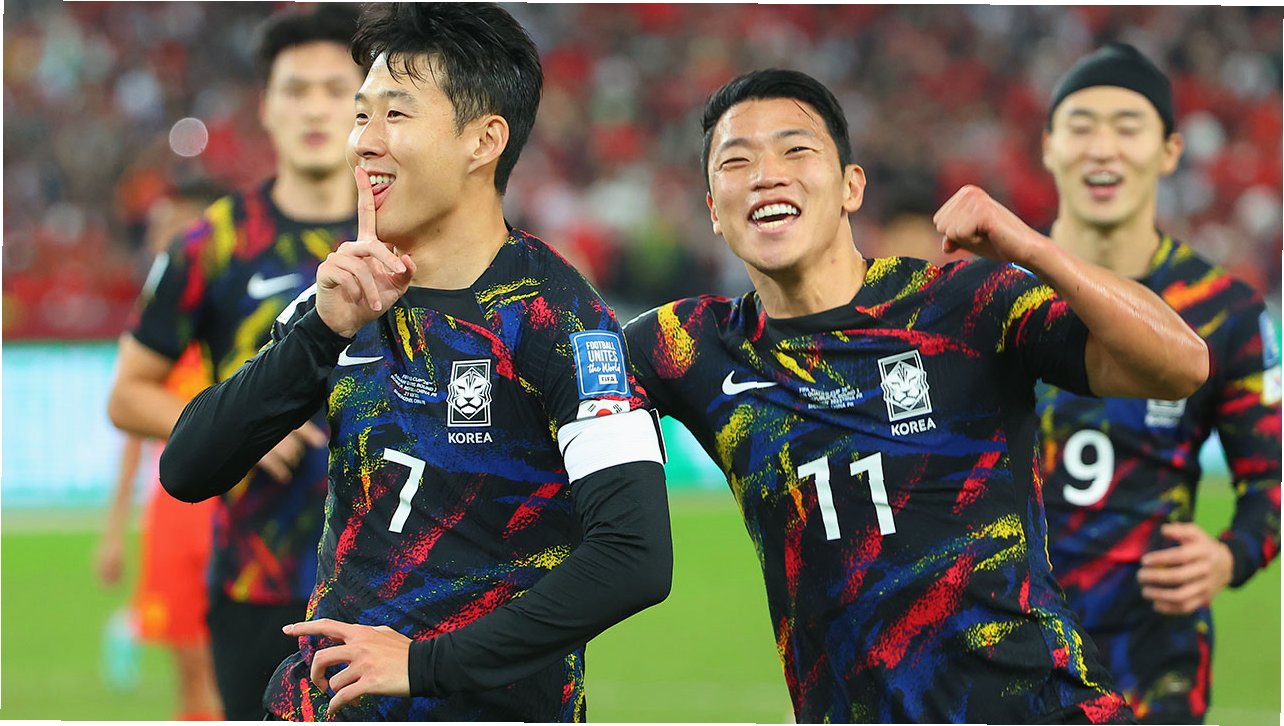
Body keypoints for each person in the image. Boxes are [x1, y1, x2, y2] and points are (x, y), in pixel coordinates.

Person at [624, 68, 1210, 724]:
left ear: (851, 187)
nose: (766, 175)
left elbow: (1182, 364)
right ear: (713, 209)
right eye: (737, 162)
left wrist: (1028, 246)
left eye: (795, 150)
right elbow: (552, 390)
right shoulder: (689, 349)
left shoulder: (964, 304)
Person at [159, 3, 671, 721]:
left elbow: (635, 556)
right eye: (360, 115)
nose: (363, 143)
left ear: (483, 140)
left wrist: (425, 665)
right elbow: (187, 468)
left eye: (394, 115)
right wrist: (320, 332)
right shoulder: (343, 298)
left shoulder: (563, 321)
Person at [105, 5, 366, 719]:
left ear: (366, 106)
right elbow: (128, 394)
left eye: (335, 89)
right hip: (258, 577)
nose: (315, 107)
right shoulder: (210, 244)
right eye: (295, 89)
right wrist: (243, 428)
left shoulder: (411, 234)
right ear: (266, 107)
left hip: (390, 578)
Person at [1035, 43, 1282, 724]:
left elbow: (1271, 480)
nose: (1102, 148)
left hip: (1151, 666)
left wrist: (1229, 556)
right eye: (1081, 126)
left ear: (1170, 150)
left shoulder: (1223, 311)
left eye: (1128, 126)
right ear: (1049, 146)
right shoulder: (988, 293)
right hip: (1001, 652)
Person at [97, 179, 225, 721]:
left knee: (229, 668)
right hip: (174, 515)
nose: (158, 241)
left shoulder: (245, 318)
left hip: (235, 514)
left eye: (172, 228)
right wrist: (114, 531)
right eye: (156, 230)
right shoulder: (159, 327)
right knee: (189, 669)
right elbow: (132, 428)